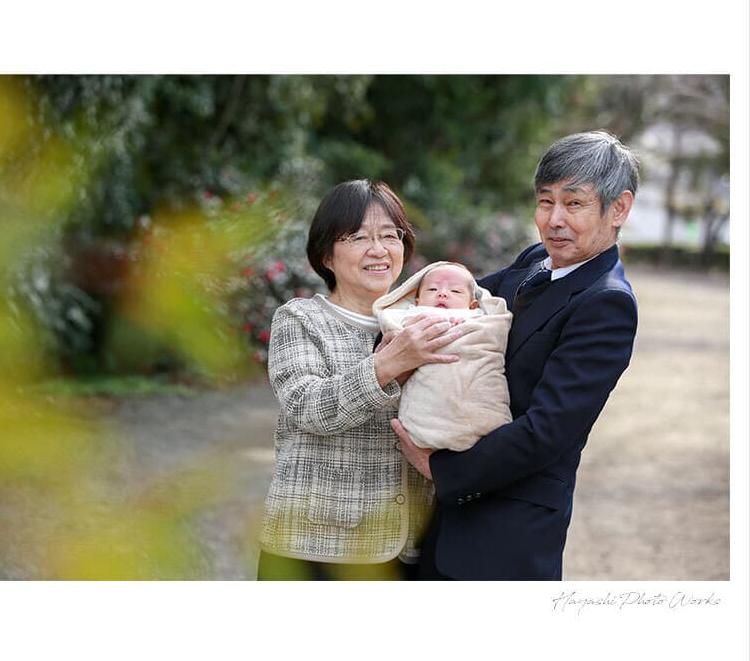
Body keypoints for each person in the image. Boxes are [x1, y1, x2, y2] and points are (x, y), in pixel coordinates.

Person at [392, 130, 640, 580]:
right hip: (440, 521)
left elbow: (547, 430)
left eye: (574, 203)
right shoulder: (533, 261)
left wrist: (442, 469)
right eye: (546, 202)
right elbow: (454, 302)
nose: (554, 220)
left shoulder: (607, 303)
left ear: (618, 208)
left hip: (506, 536)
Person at [257, 179, 462, 580]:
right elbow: (308, 408)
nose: (379, 249)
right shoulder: (300, 319)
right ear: (326, 255)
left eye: (390, 235)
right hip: (313, 548)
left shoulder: (426, 321)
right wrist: (387, 365)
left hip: (408, 548)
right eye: (357, 237)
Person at [373, 261, 512, 452]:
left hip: (472, 372)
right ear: (417, 301)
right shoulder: (410, 316)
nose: (442, 293)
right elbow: (400, 336)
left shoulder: (480, 318)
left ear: (472, 305)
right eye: (432, 289)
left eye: (455, 291)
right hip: (432, 395)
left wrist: (461, 323)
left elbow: (492, 334)